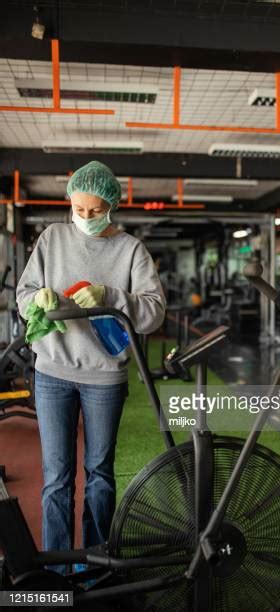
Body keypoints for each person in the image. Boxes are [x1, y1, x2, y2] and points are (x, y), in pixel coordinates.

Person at [16, 161, 166, 575]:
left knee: (99, 473)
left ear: (111, 207)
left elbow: (153, 312)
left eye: (95, 211)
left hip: (104, 377)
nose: (85, 218)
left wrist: (111, 295)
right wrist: (36, 301)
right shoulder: (51, 238)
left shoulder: (131, 250)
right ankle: (56, 571)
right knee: (56, 478)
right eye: (78, 210)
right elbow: (23, 293)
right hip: (52, 373)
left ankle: (97, 567)